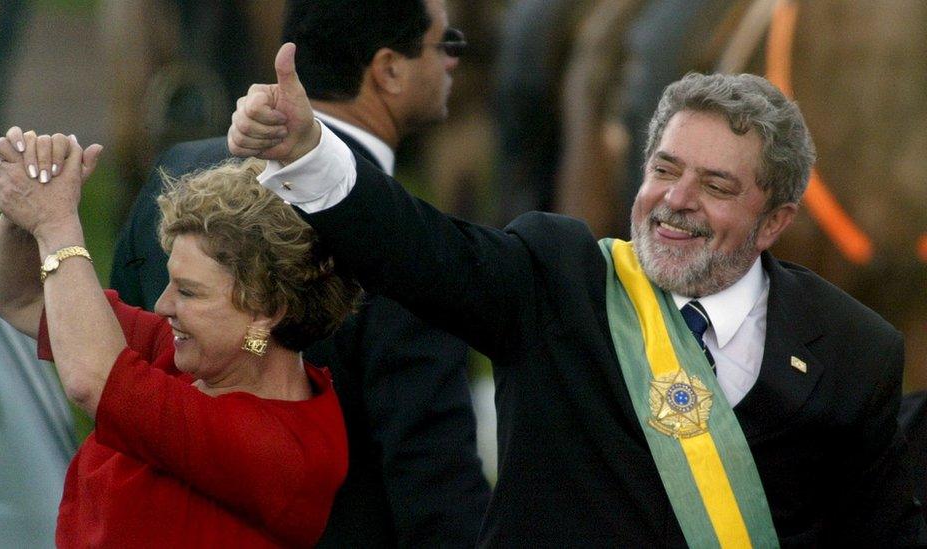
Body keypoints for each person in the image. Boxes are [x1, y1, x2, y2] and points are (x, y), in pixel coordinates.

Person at [228, 44, 927, 546]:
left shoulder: (855, 348)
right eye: (663, 169)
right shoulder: (555, 278)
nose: (675, 203)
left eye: (715, 186)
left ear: (776, 220)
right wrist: (310, 152)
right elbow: (420, 249)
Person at [110, 1, 490, 546]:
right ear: (389, 69)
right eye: (444, 42)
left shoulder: (174, 175)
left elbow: (114, 360)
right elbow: (436, 500)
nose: (455, 60)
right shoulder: (409, 251)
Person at [0, 127, 363, 547]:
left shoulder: (282, 449)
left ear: (265, 311)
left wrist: (56, 225)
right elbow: (22, 296)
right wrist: (29, 200)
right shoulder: (187, 359)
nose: (162, 306)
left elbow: (92, 380)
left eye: (188, 291)